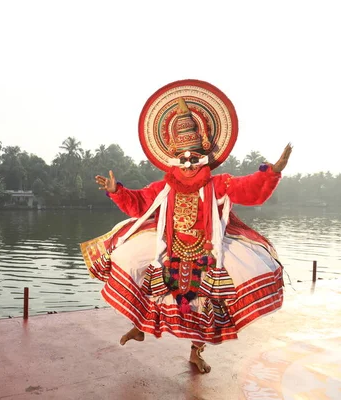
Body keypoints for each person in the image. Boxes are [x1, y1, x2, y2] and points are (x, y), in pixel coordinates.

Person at [80, 80, 292, 373]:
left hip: (207, 250)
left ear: (203, 156)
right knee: (135, 268)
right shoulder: (164, 186)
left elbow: (249, 189)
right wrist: (117, 191)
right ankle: (140, 326)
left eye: (194, 158)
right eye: (183, 159)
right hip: (169, 248)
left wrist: (272, 172)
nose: (189, 164)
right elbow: (139, 203)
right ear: (174, 160)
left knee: (204, 306)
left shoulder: (218, 183)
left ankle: (196, 352)